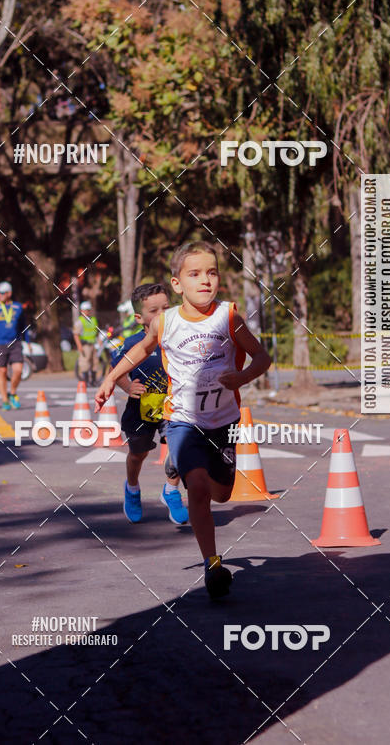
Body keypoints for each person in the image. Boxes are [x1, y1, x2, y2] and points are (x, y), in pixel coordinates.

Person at [96, 241, 271, 599]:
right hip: (182, 421)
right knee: (199, 488)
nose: (204, 280)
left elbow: (262, 358)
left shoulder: (229, 316)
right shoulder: (166, 321)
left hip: (223, 421)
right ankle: (212, 564)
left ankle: (208, 509)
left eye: (211, 272)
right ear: (177, 284)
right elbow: (140, 349)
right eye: (194, 274)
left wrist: (241, 378)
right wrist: (111, 378)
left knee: (223, 494)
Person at [110, 283, 188, 526]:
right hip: (140, 410)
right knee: (138, 454)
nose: (162, 314)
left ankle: (171, 491)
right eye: (154, 310)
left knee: (181, 449)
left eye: (166, 307)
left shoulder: (180, 338)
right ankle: (132, 489)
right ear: (139, 317)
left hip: (173, 407)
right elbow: (116, 369)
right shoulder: (132, 342)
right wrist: (127, 386)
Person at [0, 281, 31, 409]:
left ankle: (12, 392)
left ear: (9, 294)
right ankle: (4, 400)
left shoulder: (18, 307)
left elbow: (23, 326)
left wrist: (28, 341)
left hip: (15, 343)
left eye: (2, 293)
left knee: (18, 370)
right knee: (2, 371)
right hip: (0, 344)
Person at [73, 301, 100, 387]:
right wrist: (79, 346)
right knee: (85, 363)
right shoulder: (80, 321)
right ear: (82, 311)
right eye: (85, 310)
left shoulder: (93, 320)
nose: (87, 312)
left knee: (94, 363)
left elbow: (96, 332)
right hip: (85, 345)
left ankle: (93, 380)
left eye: (88, 310)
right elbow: (76, 335)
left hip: (93, 344)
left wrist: (98, 341)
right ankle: (85, 381)